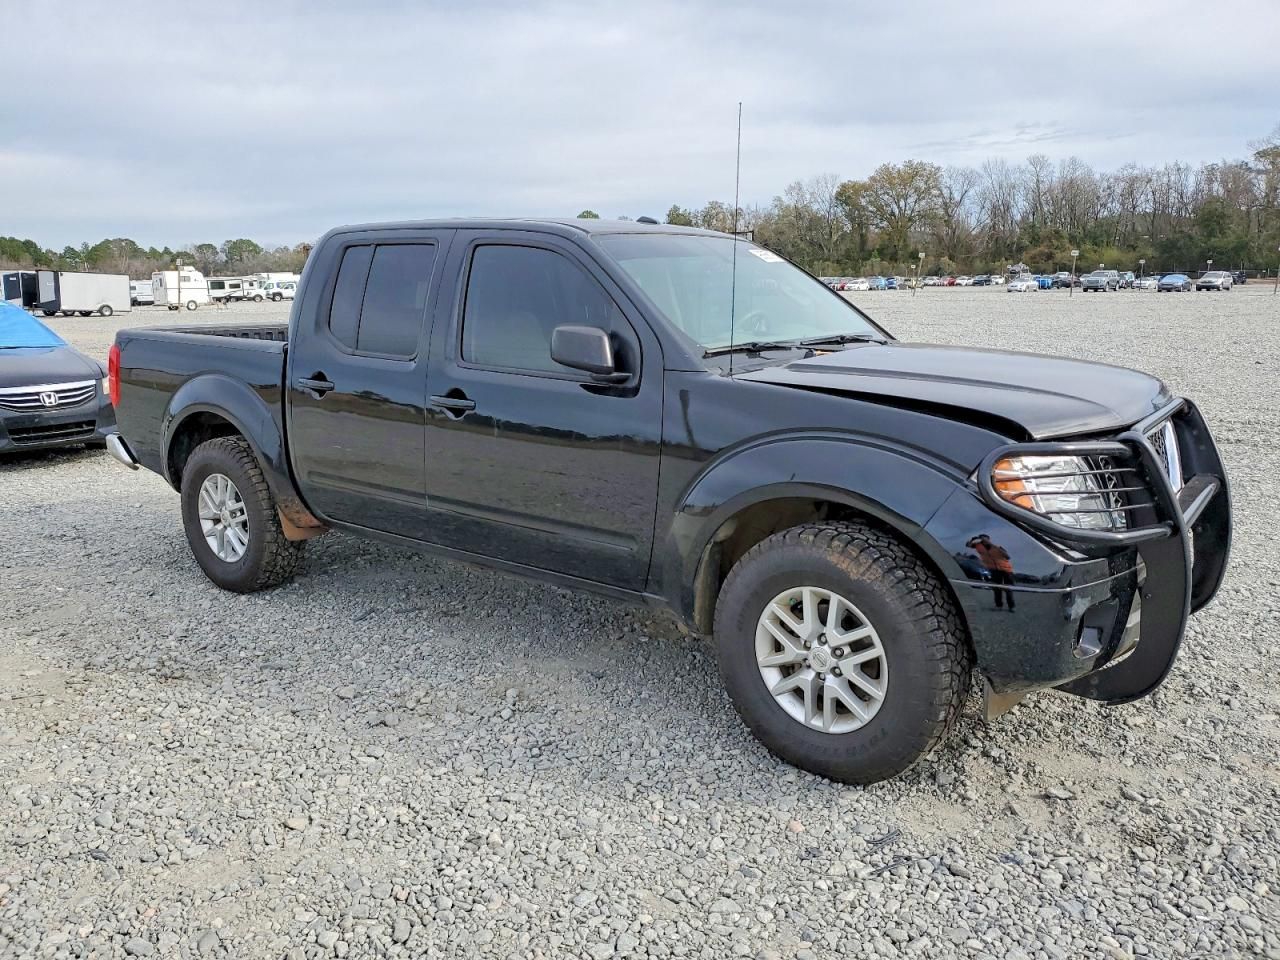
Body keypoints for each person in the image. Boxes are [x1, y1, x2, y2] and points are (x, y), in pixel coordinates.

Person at [967, 534, 1016, 611]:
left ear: (989, 539)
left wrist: (992, 545)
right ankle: (999, 606)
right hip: (994, 570)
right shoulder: (978, 546)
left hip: (1006, 570)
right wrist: (973, 539)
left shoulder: (997, 547)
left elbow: (1008, 556)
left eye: (986, 539)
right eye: (982, 539)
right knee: (996, 588)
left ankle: (1011, 607)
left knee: (1008, 589)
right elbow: (968, 545)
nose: (984, 540)